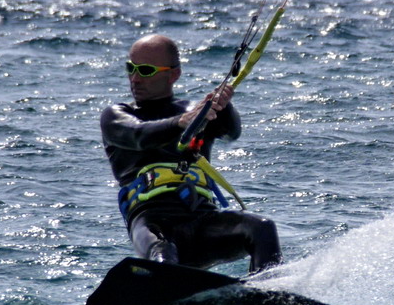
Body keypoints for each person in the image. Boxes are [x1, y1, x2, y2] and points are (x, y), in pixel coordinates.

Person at [100, 33, 281, 274]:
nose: (135, 78)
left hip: (203, 220)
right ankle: (165, 288)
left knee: (262, 228)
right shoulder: (117, 115)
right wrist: (180, 123)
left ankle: (269, 290)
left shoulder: (195, 111)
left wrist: (224, 107)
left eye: (145, 70)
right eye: (130, 68)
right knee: (162, 255)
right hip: (153, 221)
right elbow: (138, 135)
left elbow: (231, 133)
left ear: (173, 75)